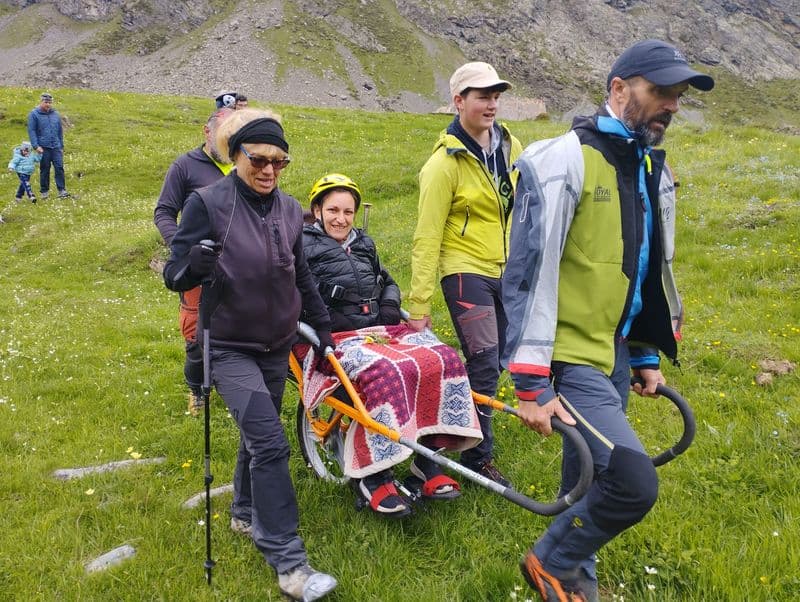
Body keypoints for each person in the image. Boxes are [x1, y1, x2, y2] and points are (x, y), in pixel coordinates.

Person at [504, 39, 713, 601]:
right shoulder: (563, 160)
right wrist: (529, 382)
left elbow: (643, 269)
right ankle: (551, 559)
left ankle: (574, 585)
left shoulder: (649, 167)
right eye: (661, 91)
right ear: (619, 90)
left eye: (678, 96)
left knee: (587, 480)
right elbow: (527, 274)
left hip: (614, 354)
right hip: (571, 360)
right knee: (631, 481)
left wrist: (644, 353)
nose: (672, 105)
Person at [163, 109, 337, 601]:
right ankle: (290, 563)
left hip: (276, 343)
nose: (268, 170)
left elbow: (300, 274)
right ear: (236, 156)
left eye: (279, 163)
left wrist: (320, 325)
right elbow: (173, 275)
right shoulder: (207, 203)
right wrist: (191, 265)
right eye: (258, 159)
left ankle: (242, 512)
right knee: (270, 442)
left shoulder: (289, 208)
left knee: (255, 437)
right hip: (228, 345)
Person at [301, 173, 482, 517]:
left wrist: (388, 303)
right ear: (317, 211)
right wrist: (331, 321)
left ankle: (428, 457)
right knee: (387, 374)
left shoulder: (363, 243)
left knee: (443, 360)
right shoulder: (304, 247)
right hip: (335, 337)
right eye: (333, 210)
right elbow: (300, 294)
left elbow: (386, 280)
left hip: (380, 330)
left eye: (348, 211)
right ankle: (373, 474)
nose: (341, 219)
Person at [406, 61, 522, 487]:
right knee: (485, 362)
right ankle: (473, 457)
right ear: (458, 101)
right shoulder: (443, 164)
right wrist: (418, 305)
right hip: (464, 270)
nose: (491, 103)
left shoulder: (509, 144)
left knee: (498, 362)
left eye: (495, 95)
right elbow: (426, 236)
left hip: (505, 270)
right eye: (481, 96)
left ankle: (450, 440)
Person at [154, 107, 234, 416]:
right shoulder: (185, 166)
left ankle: (231, 385)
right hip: (198, 268)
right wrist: (183, 248)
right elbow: (163, 211)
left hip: (238, 266)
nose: (228, 141)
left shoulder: (245, 166)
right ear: (207, 131)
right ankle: (197, 392)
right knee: (196, 334)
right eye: (223, 133)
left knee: (234, 329)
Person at [27, 93, 68, 199]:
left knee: (59, 168)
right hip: (43, 147)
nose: (48, 104)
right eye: (46, 102)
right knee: (45, 169)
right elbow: (32, 131)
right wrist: (36, 146)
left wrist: (61, 146)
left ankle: (62, 191)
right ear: (41, 102)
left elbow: (59, 131)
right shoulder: (34, 114)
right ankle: (44, 192)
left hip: (56, 147)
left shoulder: (55, 114)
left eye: (50, 102)